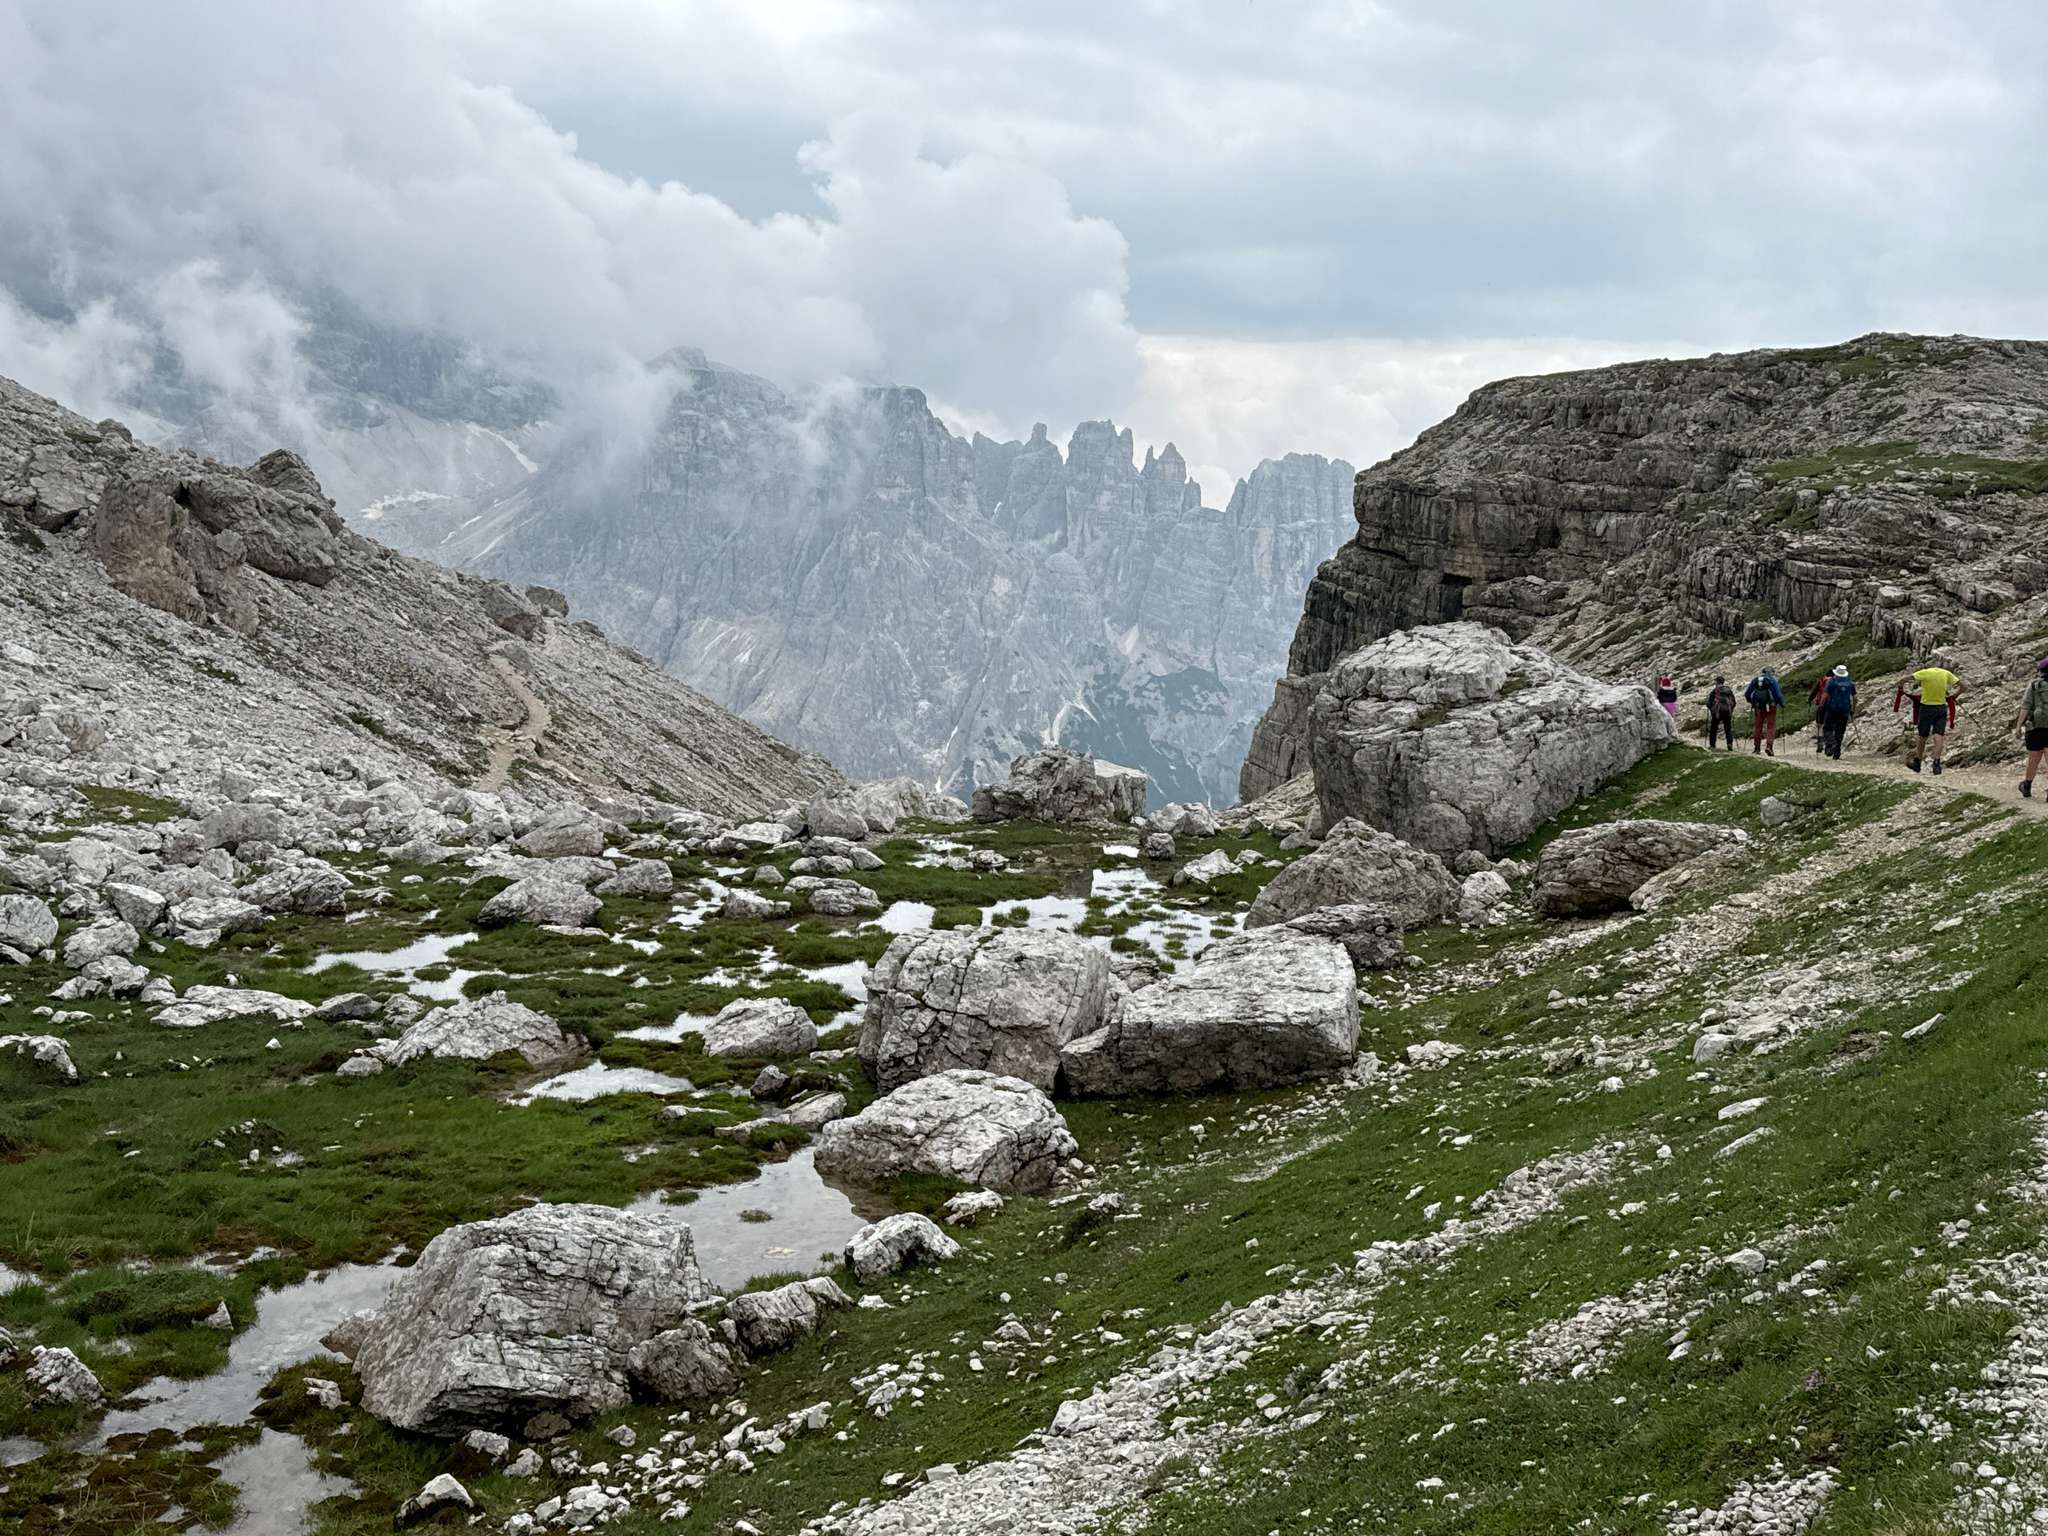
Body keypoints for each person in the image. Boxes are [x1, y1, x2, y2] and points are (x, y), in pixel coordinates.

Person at [1908, 661, 1963, 775]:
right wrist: (1955, 695)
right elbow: (1964, 686)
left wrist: (1899, 685)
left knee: (1922, 736)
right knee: (1939, 735)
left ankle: (1917, 763)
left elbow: (1906, 679)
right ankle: (1936, 764)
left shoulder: (1924, 673)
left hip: (1926, 708)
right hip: (1941, 708)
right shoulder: (1946, 673)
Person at [2018, 657, 2048, 798]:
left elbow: (2025, 706)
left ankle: (2027, 786)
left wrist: (2018, 726)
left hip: (2035, 726)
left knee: (2033, 758)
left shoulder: (2034, 685)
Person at [1817, 663, 1856, 759]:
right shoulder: (1850, 683)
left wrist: (1821, 706)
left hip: (1832, 709)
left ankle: (1831, 743)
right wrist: (1852, 709)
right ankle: (1837, 753)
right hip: (1845, 710)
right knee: (1840, 731)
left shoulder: (1832, 681)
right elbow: (1855, 698)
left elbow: (1825, 695)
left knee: (1827, 728)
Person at [1745, 668, 1783, 756]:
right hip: (1771, 707)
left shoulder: (1755, 680)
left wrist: (1752, 702)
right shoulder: (1773, 681)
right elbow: (1778, 695)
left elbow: (1747, 694)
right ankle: (1769, 747)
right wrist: (1781, 704)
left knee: (1758, 727)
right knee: (1770, 726)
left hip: (1758, 707)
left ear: (1762, 672)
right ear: (1771, 673)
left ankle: (1757, 748)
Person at [1706, 675, 1737, 750]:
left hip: (1717, 713)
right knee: (1728, 729)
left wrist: (1712, 710)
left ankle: (1712, 745)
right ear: (1723, 682)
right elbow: (1734, 702)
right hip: (1727, 712)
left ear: (1717, 682)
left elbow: (1709, 703)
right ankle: (1729, 745)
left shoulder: (1715, 691)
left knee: (1713, 728)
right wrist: (1731, 710)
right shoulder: (1728, 690)